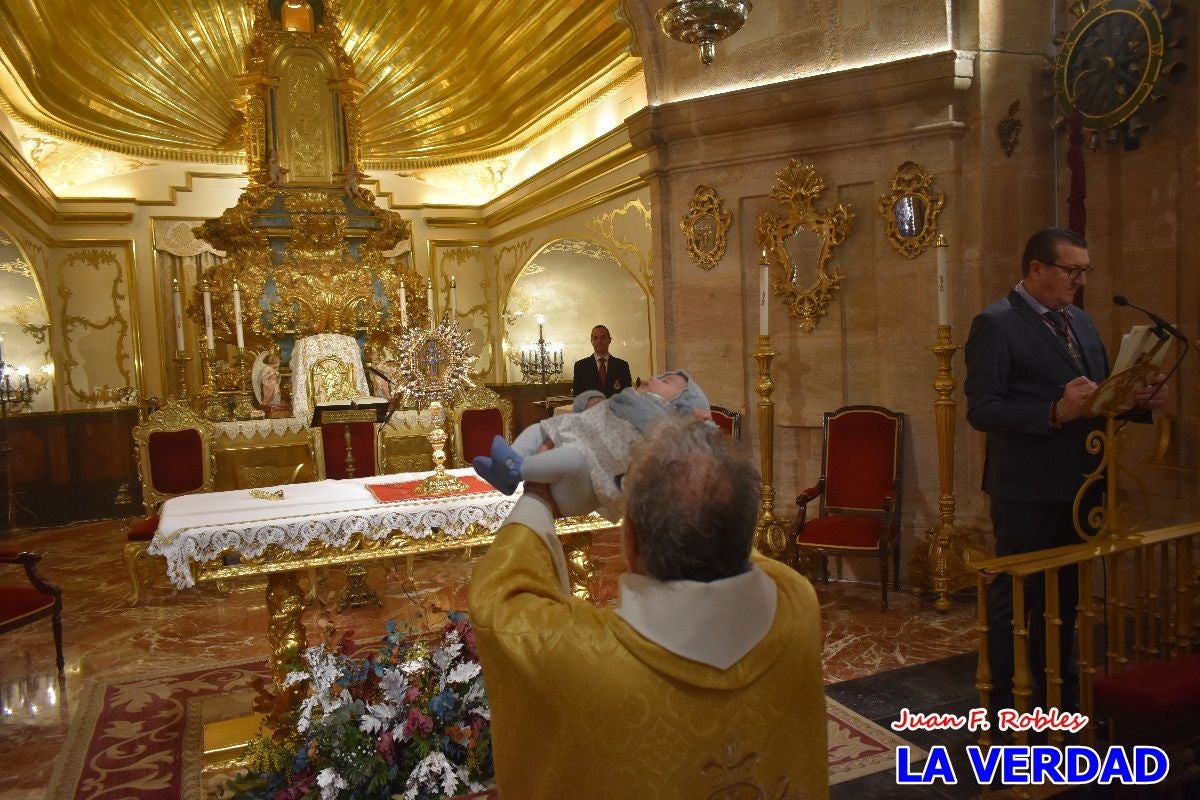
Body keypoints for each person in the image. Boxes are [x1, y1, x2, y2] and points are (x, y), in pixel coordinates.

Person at [468, 415, 830, 800]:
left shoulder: (577, 658)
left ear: (631, 543)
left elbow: (499, 599)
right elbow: (732, 545)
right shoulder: (798, 605)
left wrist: (540, 497)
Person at [964, 226, 1169, 712]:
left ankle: (1055, 685)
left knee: (1067, 599)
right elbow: (982, 410)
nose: (1079, 280)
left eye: (1084, 271)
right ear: (1036, 268)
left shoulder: (1080, 320)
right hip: (1027, 489)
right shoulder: (996, 323)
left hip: (1083, 485)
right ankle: (1000, 702)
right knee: (1016, 599)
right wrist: (1054, 412)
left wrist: (1137, 402)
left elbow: (1097, 397)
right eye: (1071, 270)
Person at [472, 371, 711, 522]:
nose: (653, 379)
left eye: (665, 381)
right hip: (576, 439)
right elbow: (592, 406)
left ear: (683, 403)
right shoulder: (629, 398)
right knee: (539, 430)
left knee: (572, 458)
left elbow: (700, 437)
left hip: (591, 477)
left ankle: (518, 467)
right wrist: (592, 399)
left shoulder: (667, 419)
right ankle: (507, 470)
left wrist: (692, 421)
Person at [571, 324, 632, 397]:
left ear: (609, 340)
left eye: (603, 337)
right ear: (591, 341)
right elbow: (578, 396)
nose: (599, 341)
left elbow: (627, 396)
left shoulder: (622, 366)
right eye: (595, 338)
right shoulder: (580, 366)